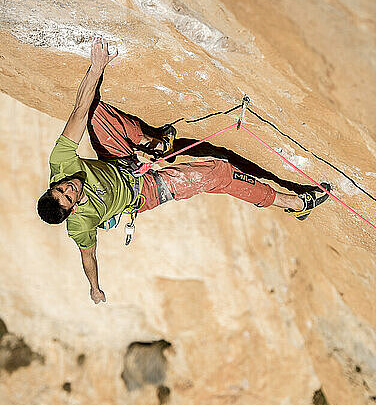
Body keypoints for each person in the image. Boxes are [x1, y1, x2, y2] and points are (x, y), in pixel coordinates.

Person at [37, 38, 330, 304]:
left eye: (60, 187)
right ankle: (293, 203)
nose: (70, 186)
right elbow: (88, 256)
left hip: (118, 163)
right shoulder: (80, 226)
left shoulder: (62, 164)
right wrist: (94, 287)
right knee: (220, 173)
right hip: (143, 191)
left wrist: (96, 67)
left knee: (94, 111)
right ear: (73, 209)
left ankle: (155, 144)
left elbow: (78, 111)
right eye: (68, 195)